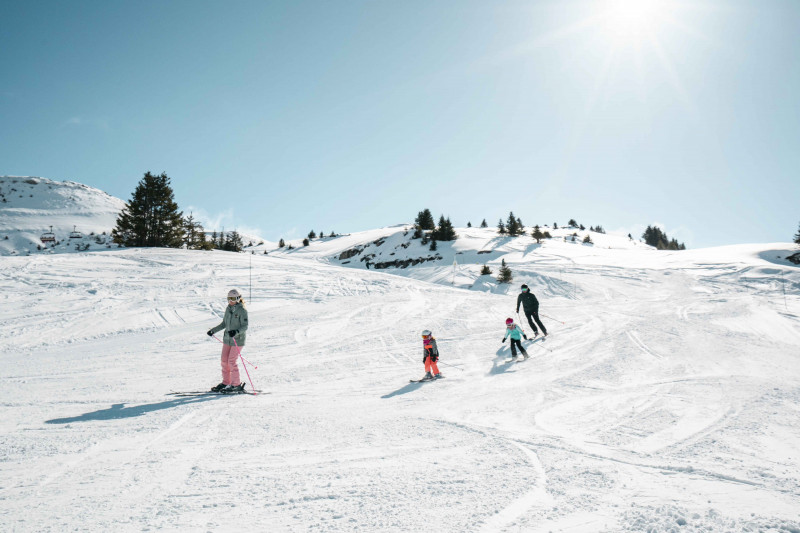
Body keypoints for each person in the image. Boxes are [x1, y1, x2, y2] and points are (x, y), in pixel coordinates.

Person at [207, 289, 249, 393]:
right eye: (229, 298)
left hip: (238, 340)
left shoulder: (242, 310)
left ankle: (236, 384)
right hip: (227, 339)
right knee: (224, 361)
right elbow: (224, 324)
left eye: (233, 299)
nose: (231, 301)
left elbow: (245, 326)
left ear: (238, 299)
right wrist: (213, 330)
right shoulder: (228, 309)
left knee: (231, 361)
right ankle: (226, 382)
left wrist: (236, 332)